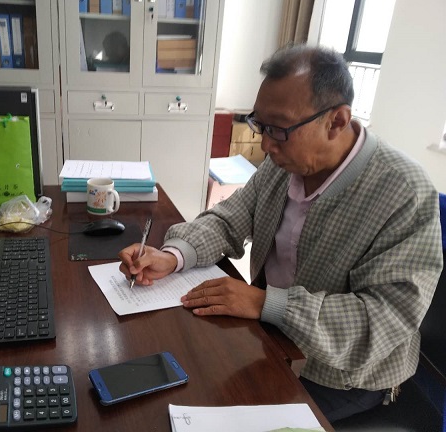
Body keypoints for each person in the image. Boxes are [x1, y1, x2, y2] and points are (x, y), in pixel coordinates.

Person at [118, 44, 443, 423]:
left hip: (342, 377)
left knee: (213, 412)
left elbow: (381, 321)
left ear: (336, 121)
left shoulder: (403, 192)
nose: (265, 144)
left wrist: (266, 304)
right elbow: (229, 218)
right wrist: (172, 256)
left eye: (279, 129)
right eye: (260, 124)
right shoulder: (284, 163)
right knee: (176, 378)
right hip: (271, 336)